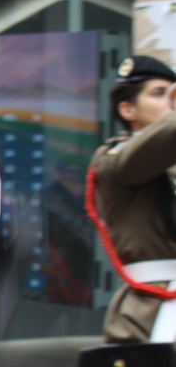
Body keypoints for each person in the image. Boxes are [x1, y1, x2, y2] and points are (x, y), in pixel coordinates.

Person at [90, 54, 176, 344]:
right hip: (151, 311)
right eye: (159, 93)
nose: (170, 101)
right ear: (128, 109)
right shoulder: (115, 158)